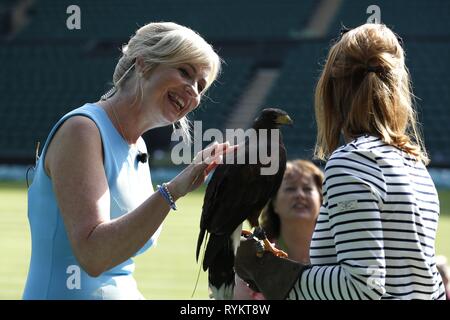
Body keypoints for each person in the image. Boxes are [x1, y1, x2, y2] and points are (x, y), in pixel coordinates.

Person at [234, 23, 446, 300]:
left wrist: (271, 272)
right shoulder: (414, 165)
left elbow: (362, 285)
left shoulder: (352, 161)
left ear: (332, 91)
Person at [22, 22, 233, 299]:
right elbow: (94, 255)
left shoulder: (138, 147)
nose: (194, 90)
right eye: (185, 72)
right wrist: (173, 190)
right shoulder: (82, 129)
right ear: (144, 64)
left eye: (201, 86)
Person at [233, 159, 323, 300]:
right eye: (290, 188)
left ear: (321, 201)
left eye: (307, 189)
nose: (299, 194)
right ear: (274, 203)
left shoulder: (337, 253)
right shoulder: (254, 255)